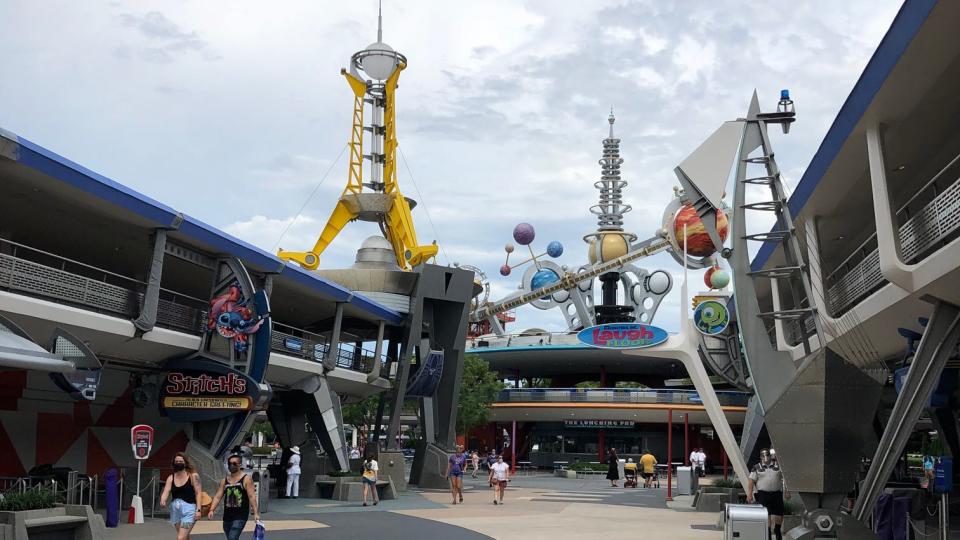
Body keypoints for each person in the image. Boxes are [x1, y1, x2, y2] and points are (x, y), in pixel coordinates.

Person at [208, 454, 261, 540]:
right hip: (227, 516)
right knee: (231, 538)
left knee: (232, 538)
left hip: (240, 515)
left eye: (234, 463)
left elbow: (252, 496)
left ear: (240, 465)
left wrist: (256, 513)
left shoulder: (246, 479)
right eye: (229, 463)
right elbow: (218, 496)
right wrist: (211, 510)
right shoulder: (224, 481)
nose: (231, 465)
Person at [747, 448, 790, 540]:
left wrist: (787, 491)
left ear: (770, 456)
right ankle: (768, 534)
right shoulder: (756, 467)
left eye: (767, 455)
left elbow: (786, 479)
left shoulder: (778, 466)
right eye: (763, 455)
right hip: (763, 494)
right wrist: (749, 494)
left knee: (779, 514)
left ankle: (777, 530)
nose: (765, 457)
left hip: (777, 494)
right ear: (760, 457)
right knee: (767, 514)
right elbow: (751, 480)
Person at [159, 452, 202, 540]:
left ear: (185, 463)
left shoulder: (193, 476)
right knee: (184, 536)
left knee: (181, 537)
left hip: (189, 511)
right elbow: (166, 491)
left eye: (181, 461)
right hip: (175, 511)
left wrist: (198, 510)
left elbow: (198, 493)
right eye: (176, 461)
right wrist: (163, 499)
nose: (178, 463)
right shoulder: (171, 477)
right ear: (173, 463)